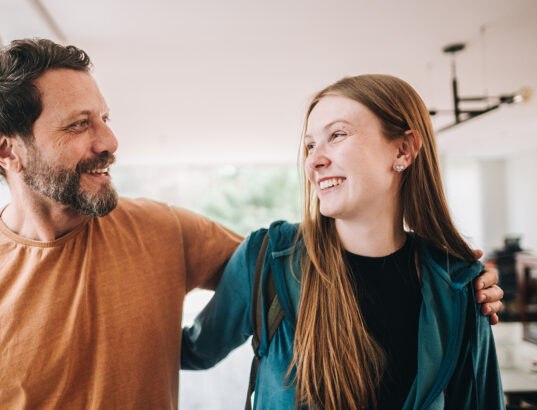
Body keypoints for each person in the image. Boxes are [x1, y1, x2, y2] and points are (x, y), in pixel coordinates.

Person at [0, 39, 503, 409]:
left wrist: (463, 277)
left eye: (103, 117)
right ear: (7, 149)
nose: (109, 140)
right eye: (79, 125)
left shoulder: (167, 232)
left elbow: (305, 270)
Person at [182, 74, 505, 409]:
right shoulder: (268, 257)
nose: (313, 161)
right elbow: (191, 350)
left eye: (337, 135)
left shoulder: (459, 286)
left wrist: (466, 281)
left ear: (404, 149)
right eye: (310, 145)